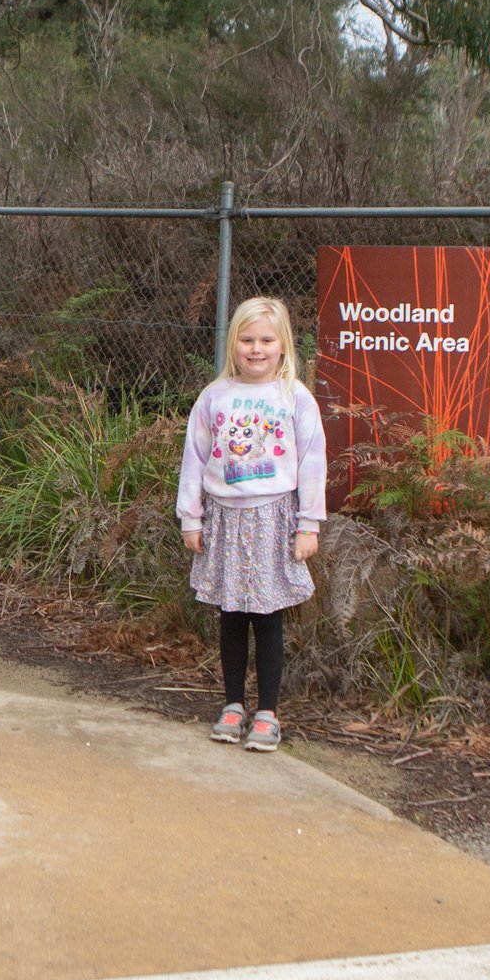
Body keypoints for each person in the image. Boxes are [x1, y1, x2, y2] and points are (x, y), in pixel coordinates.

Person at [176, 296, 326, 751]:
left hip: (273, 520)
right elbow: (194, 459)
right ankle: (233, 705)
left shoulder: (294, 397)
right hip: (224, 519)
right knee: (231, 614)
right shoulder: (215, 396)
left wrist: (309, 524)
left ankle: (267, 713)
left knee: (267, 616)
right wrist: (191, 516)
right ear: (232, 344)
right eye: (246, 340)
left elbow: (313, 462)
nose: (256, 349)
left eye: (266, 340)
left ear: (283, 346)